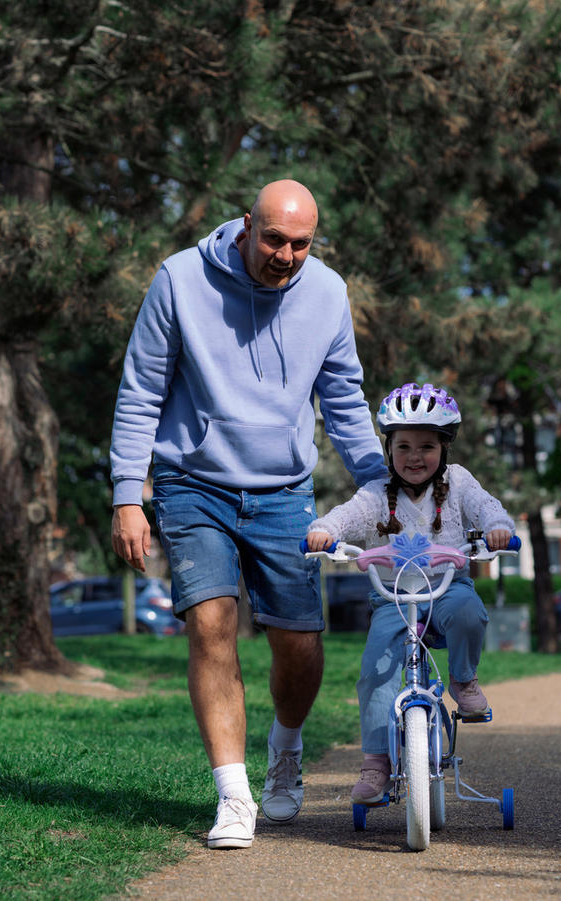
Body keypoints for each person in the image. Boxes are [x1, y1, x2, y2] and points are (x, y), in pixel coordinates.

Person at [110, 179, 387, 849]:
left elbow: (344, 399)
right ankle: (234, 794)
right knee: (211, 623)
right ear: (245, 226)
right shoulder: (179, 279)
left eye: (300, 243)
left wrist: (382, 483)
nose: (286, 255)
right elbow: (142, 389)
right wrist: (127, 491)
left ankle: (285, 747)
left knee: (298, 641)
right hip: (191, 482)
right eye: (274, 239)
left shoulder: (326, 293)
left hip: (282, 489)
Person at [303, 382, 515, 806]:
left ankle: (463, 679)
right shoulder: (377, 493)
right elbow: (346, 516)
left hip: (446, 588)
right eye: (403, 447)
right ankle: (376, 763)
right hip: (394, 600)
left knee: (471, 612)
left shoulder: (458, 483)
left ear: (444, 449)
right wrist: (324, 531)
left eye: (426, 446)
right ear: (389, 450)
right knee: (376, 672)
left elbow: (487, 506)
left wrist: (498, 529)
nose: (415, 457)